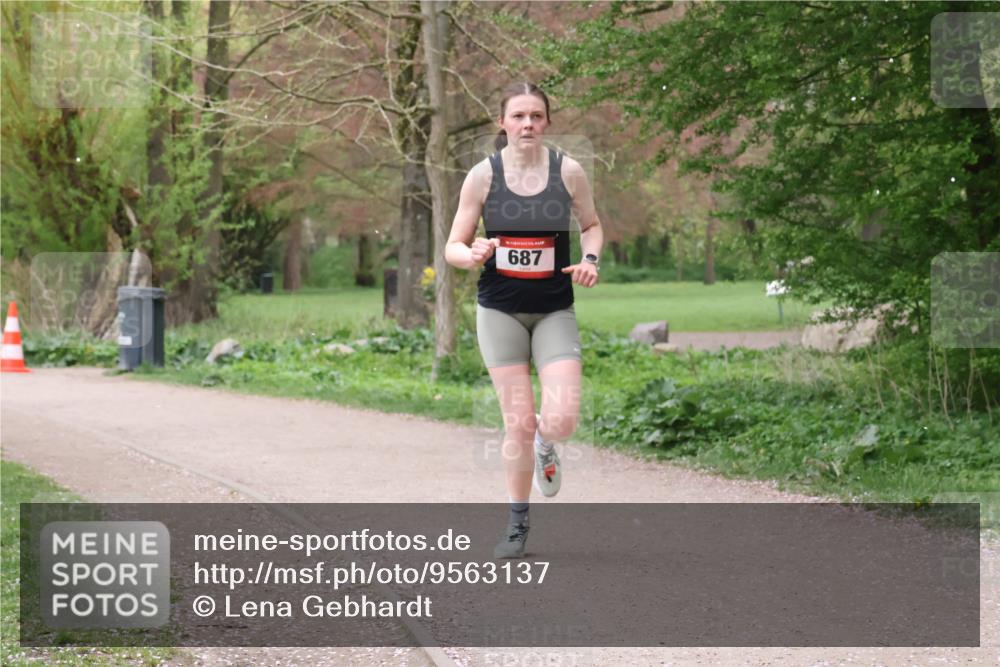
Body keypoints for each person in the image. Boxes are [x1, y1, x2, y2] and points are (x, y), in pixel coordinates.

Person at [445, 82, 604, 559]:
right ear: (503, 122)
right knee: (517, 423)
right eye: (518, 116)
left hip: (554, 309)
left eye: (536, 115)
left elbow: (591, 225)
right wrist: (471, 254)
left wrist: (590, 260)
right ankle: (517, 525)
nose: (528, 124)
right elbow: (453, 246)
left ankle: (546, 445)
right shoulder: (483, 176)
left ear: (547, 122)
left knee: (561, 419)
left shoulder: (568, 171)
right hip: (500, 312)